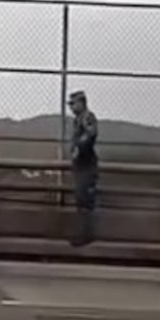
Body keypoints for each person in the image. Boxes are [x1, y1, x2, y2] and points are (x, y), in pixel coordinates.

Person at [68, 90, 98, 246]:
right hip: (81, 164)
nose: (71, 107)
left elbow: (91, 133)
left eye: (73, 103)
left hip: (86, 164)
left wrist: (79, 147)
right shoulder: (79, 119)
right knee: (81, 200)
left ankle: (86, 235)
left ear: (82, 102)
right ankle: (83, 233)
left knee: (85, 201)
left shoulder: (87, 117)